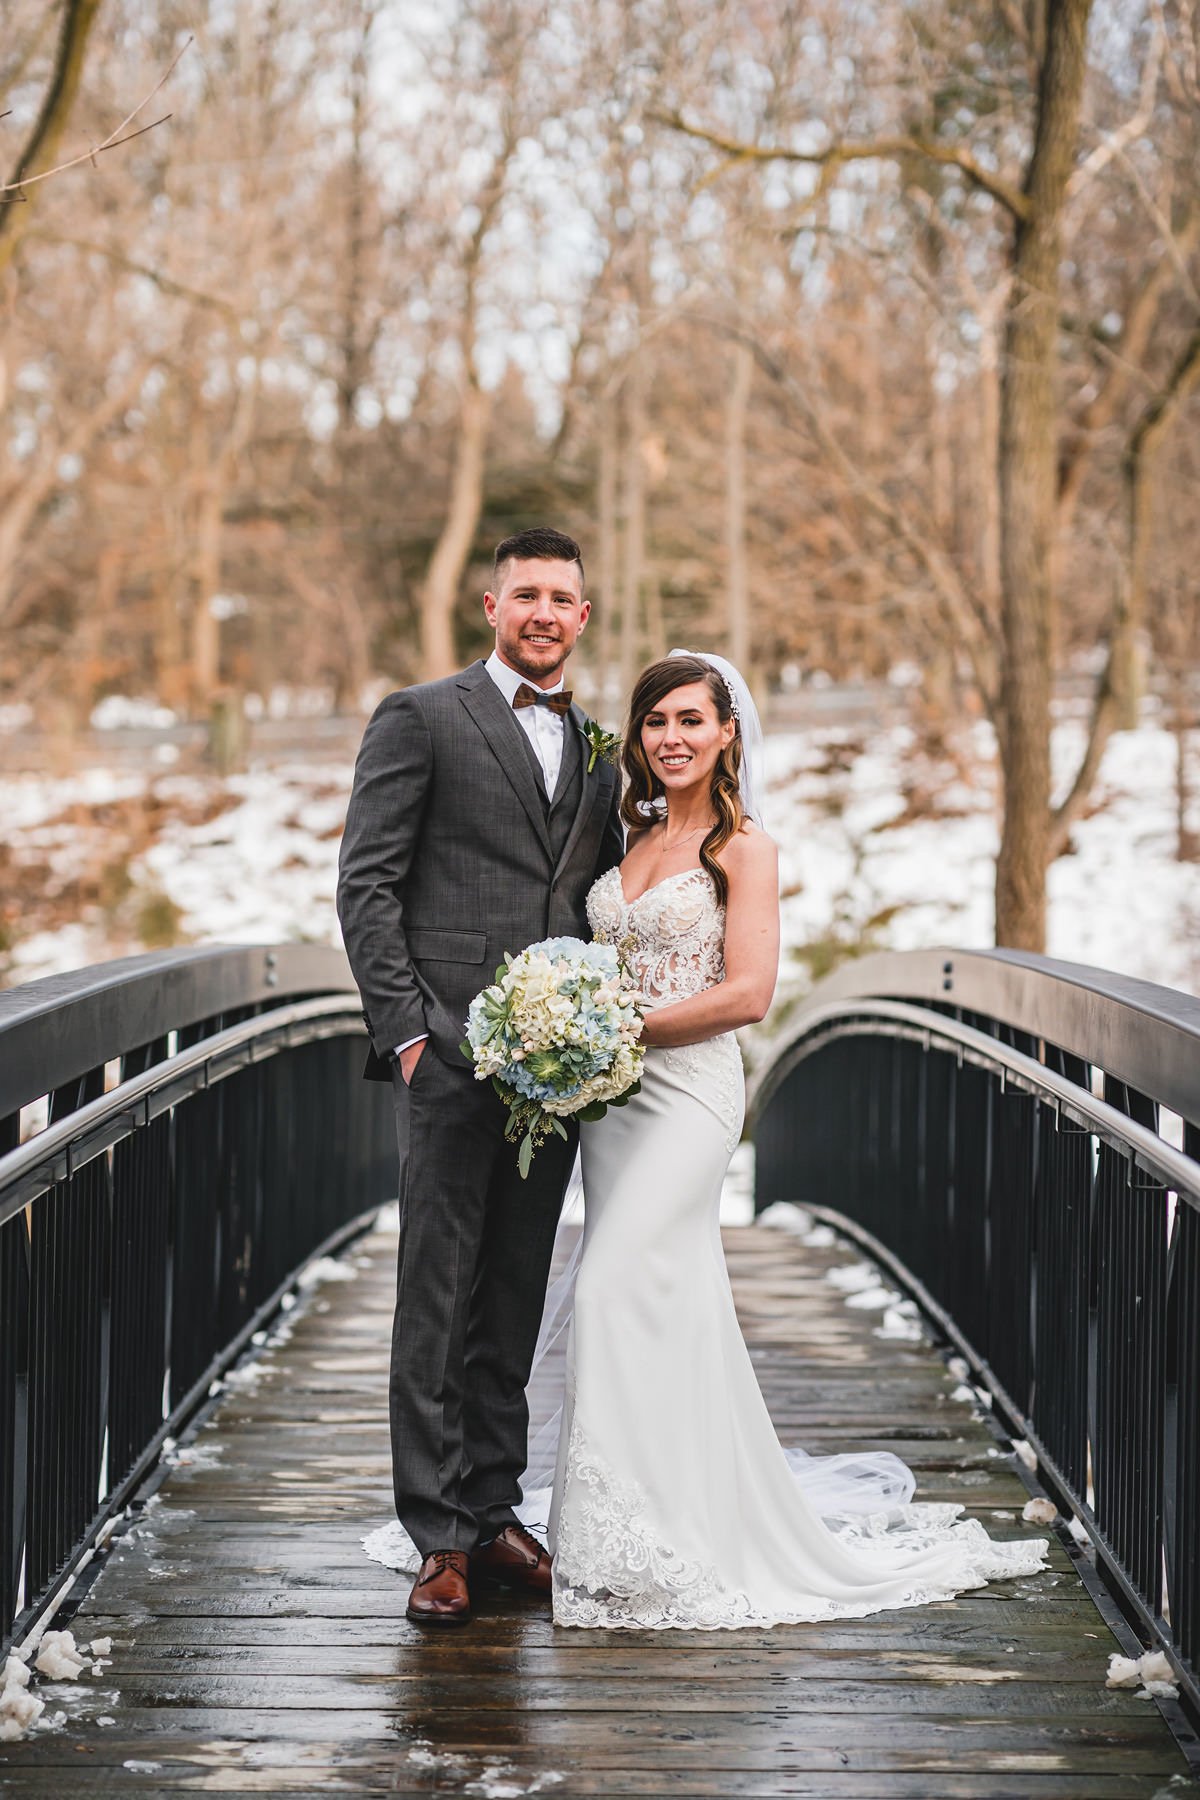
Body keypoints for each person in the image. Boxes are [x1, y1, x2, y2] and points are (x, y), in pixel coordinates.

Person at [544, 650, 1050, 1628]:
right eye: (656, 723)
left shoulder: (745, 847)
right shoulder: (625, 830)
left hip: (687, 1096)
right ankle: (636, 1526)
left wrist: (619, 1028)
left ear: (728, 731)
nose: (672, 738)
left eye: (692, 720)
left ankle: (655, 1536)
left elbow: (747, 994)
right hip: (612, 1105)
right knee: (664, 1301)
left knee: (606, 1286)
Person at [337, 526, 623, 1627]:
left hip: (554, 1072)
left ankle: (498, 1513)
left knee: (512, 1291)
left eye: (564, 598)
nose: (545, 613)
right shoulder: (422, 717)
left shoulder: (596, 746)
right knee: (437, 1300)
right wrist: (408, 1033)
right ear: (492, 606)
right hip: (449, 1054)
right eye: (527, 595)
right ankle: (438, 1539)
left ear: (584, 618)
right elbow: (368, 883)